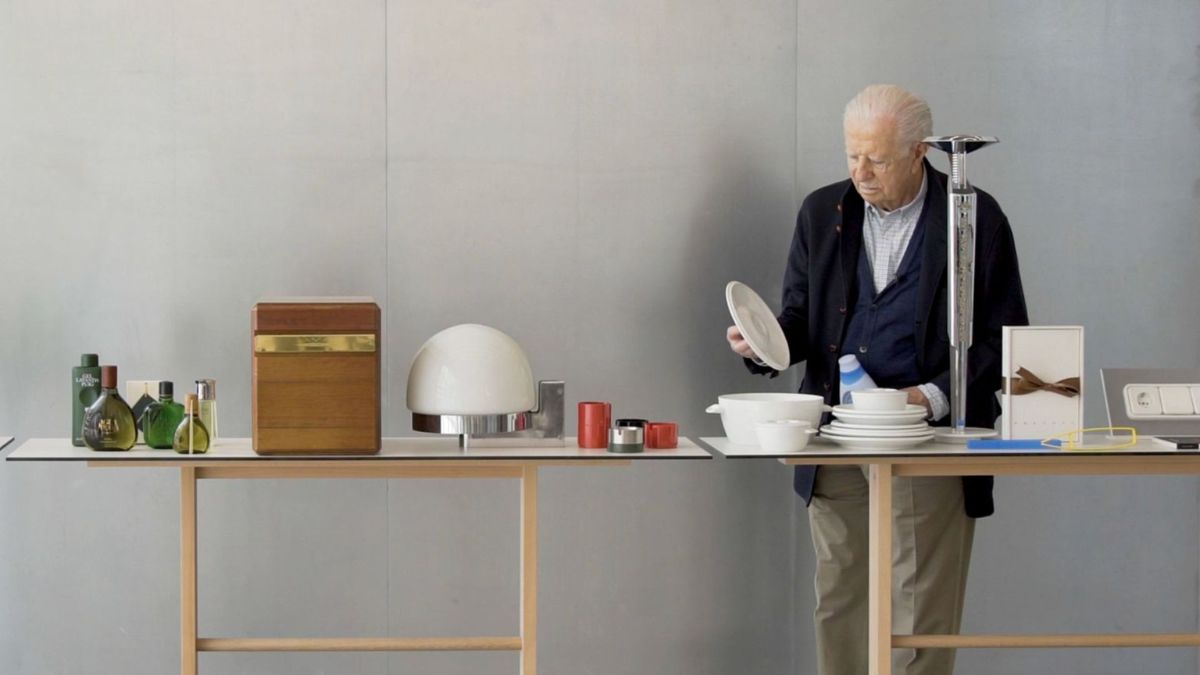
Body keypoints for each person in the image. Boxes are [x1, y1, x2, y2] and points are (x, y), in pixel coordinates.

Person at [726, 84, 1028, 675]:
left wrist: (931, 396)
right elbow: (799, 320)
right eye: (852, 155)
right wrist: (761, 344)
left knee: (920, 612)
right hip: (836, 438)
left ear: (920, 151)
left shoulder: (972, 215)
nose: (861, 173)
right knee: (839, 599)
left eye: (878, 159)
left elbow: (1005, 338)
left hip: (929, 441)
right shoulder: (822, 212)